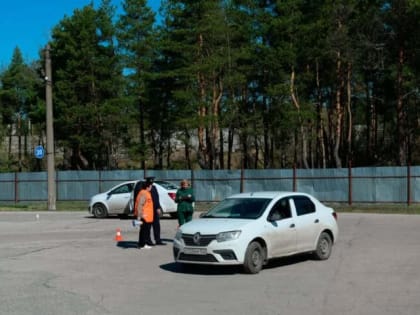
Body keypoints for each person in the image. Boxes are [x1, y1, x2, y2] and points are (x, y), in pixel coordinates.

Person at [145, 176, 165, 245]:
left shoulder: (154, 187)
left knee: (156, 225)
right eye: (150, 182)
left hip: (154, 209)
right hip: (148, 210)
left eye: (152, 181)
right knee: (148, 226)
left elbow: (156, 198)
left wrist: (158, 207)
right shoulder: (144, 188)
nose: (151, 183)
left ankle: (158, 240)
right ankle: (148, 240)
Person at [134, 181, 154, 249]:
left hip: (147, 216)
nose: (151, 187)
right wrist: (140, 215)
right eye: (151, 186)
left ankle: (141, 243)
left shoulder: (146, 193)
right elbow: (140, 204)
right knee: (144, 231)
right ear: (147, 187)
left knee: (145, 230)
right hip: (144, 215)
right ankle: (142, 244)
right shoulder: (144, 193)